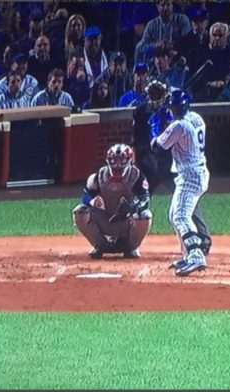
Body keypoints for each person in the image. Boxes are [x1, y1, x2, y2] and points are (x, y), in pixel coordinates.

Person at [131, 81, 212, 255]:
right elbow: (138, 142)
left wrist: (157, 129)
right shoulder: (142, 112)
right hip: (150, 166)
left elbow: (161, 144)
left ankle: (201, 243)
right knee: (138, 199)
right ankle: (128, 241)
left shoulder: (178, 121)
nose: (157, 100)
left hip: (174, 167)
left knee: (185, 207)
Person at [151, 90, 210, 277]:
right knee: (173, 214)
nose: (171, 110)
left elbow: (157, 147)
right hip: (196, 171)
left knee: (181, 217)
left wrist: (154, 126)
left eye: (173, 107)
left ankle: (196, 255)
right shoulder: (196, 118)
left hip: (190, 176)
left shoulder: (179, 126)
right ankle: (187, 254)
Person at [72, 144, 153, 259]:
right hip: (105, 218)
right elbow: (86, 196)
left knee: (145, 215)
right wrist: (92, 201)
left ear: (129, 160)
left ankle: (132, 247)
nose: (117, 164)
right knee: (79, 211)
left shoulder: (137, 176)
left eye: (122, 160)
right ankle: (99, 245)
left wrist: (133, 207)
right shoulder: (99, 176)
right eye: (114, 160)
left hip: (127, 221)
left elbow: (145, 199)